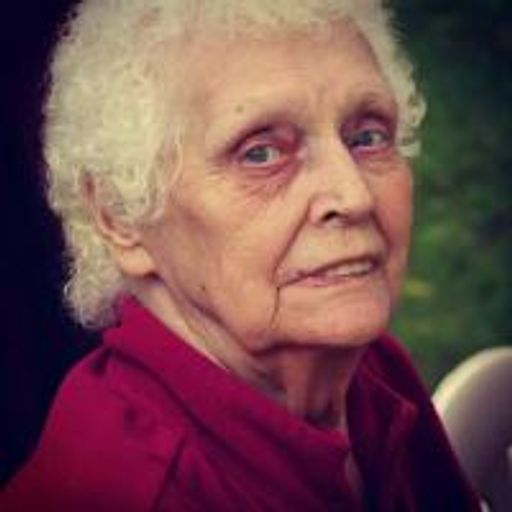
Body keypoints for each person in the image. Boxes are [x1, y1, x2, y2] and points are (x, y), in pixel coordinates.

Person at [1, 0, 481, 510]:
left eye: (367, 137)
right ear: (120, 216)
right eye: (261, 153)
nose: (354, 195)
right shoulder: (131, 490)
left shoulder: (370, 368)